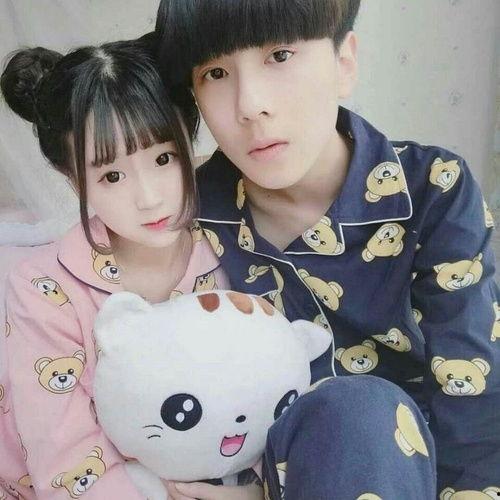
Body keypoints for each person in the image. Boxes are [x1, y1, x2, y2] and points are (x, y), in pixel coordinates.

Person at [155, 0, 499, 498]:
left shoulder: (433, 190)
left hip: (418, 466)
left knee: (362, 414)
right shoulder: (181, 214)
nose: (250, 105)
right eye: (216, 73)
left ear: (344, 63)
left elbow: (475, 408)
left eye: (279, 56)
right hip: (260, 468)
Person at [0, 38, 231, 499]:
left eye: (163, 158)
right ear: (72, 178)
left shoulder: (231, 246)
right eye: (111, 175)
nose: (149, 198)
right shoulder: (44, 291)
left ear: (190, 139)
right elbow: (68, 469)